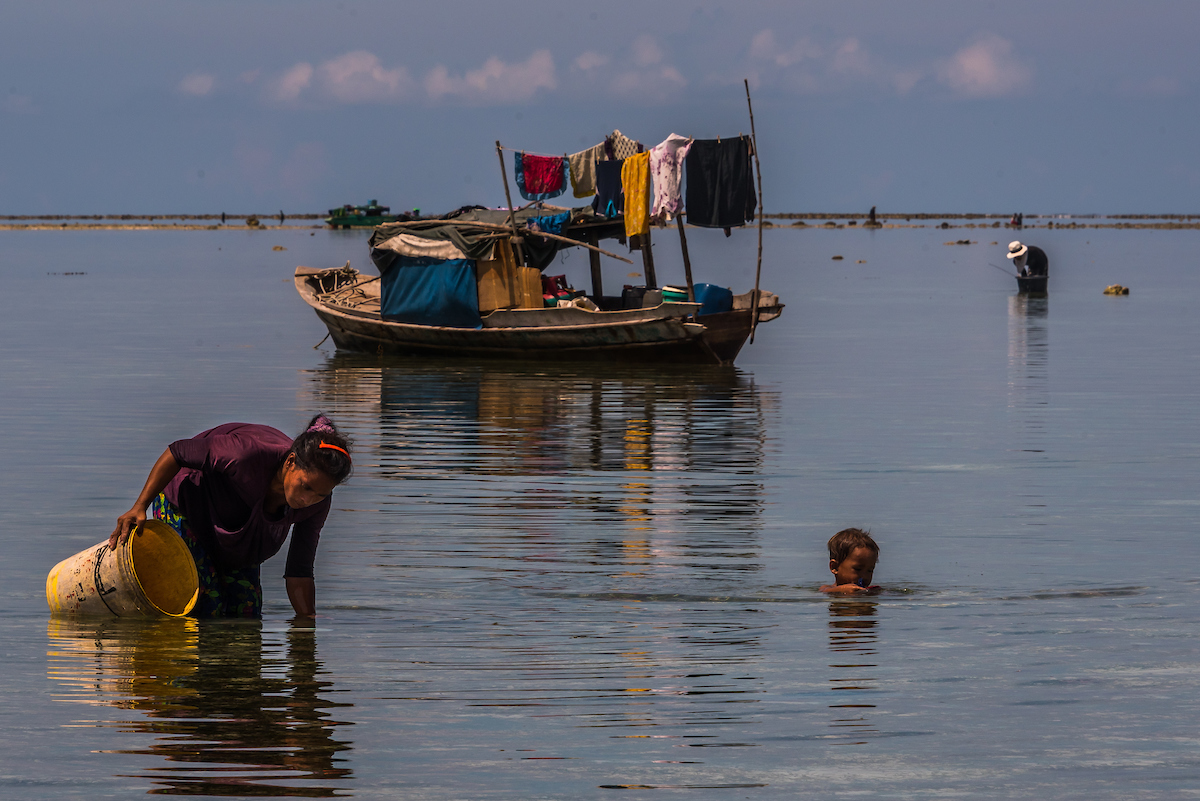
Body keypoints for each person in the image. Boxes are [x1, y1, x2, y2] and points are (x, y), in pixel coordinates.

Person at [109, 414, 352, 619]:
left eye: (320, 494)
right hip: (185, 506)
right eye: (306, 487)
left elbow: (300, 569)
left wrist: (306, 629)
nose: (308, 499)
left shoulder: (318, 503)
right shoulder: (246, 455)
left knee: (247, 613)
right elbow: (177, 451)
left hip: (236, 536)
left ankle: (233, 676)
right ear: (290, 462)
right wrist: (140, 506)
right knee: (206, 605)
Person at [819, 528, 880, 594]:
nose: (865, 576)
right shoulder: (829, 588)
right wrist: (841, 590)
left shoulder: (866, 591)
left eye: (870, 570)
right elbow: (823, 590)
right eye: (858, 569)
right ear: (835, 567)